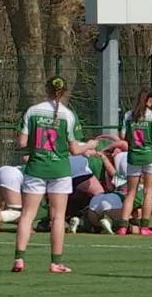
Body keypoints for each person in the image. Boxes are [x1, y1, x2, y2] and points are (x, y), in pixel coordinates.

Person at [12, 77, 96, 273]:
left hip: (36, 167)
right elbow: (75, 150)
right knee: (58, 217)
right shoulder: (69, 115)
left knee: (26, 216)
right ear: (65, 91)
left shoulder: (32, 111)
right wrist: (90, 145)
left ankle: (19, 259)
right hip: (59, 170)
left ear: (46, 89)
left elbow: (22, 143)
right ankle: (55, 262)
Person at [116, 88, 152, 236]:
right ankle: (144, 227)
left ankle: (123, 227)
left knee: (130, 193)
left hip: (134, 156)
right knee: (148, 193)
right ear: (148, 100)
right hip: (150, 157)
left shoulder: (128, 115)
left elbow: (122, 136)